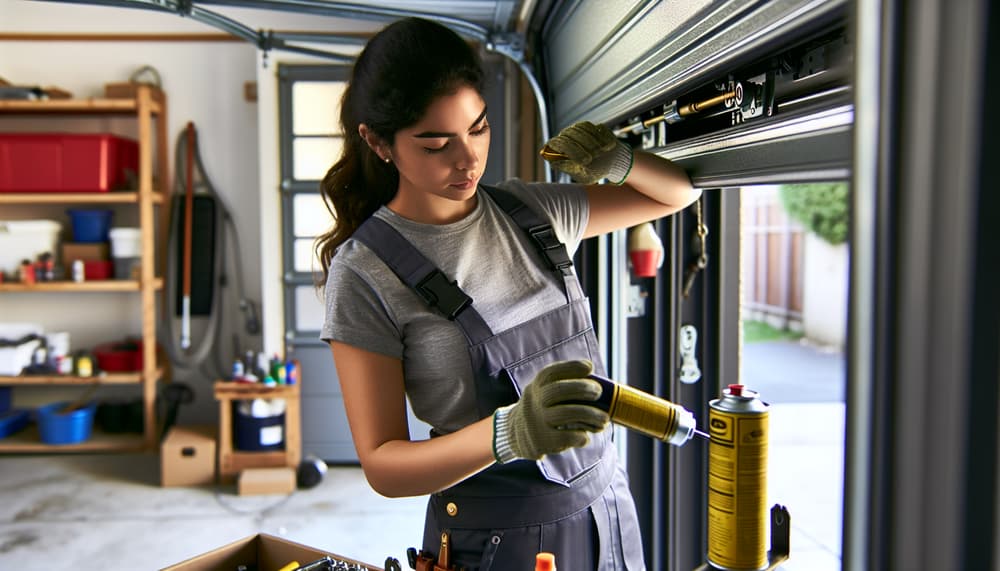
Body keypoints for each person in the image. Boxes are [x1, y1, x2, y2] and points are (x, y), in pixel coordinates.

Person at [318, 16, 700, 571]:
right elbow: (383, 466)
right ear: (378, 142)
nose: (468, 158)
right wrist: (510, 432)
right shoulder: (365, 274)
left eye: (478, 127)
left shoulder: (531, 213)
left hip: (607, 510)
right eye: (436, 144)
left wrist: (621, 161)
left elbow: (677, 194)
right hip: (497, 542)